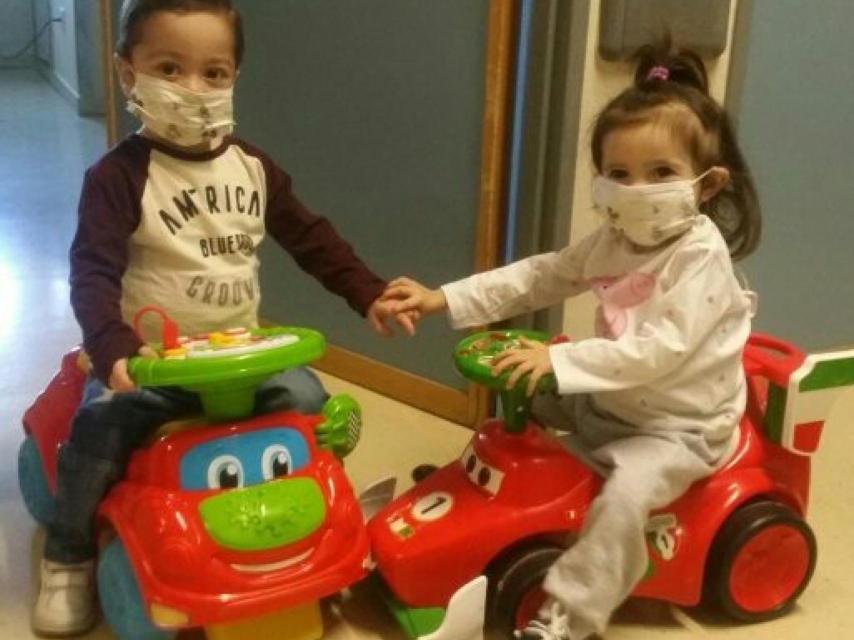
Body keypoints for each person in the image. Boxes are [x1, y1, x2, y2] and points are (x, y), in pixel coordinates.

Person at [32, 0, 413, 635]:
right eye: (170, 68)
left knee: (309, 408)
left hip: (243, 357)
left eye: (215, 72)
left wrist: (367, 292)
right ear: (130, 75)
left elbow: (312, 238)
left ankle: (312, 532)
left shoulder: (253, 167)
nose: (194, 88)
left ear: (235, 76)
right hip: (151, 366)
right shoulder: (118, 177)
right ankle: (67, 553)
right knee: (99, 432)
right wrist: (112, 347)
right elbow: (93, 270)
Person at [381, 44, 761, 640]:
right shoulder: (611, 239)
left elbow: (658, 352)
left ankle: (571, 612)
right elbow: (541, 275)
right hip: (609, 403)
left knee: (623, 499)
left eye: (661, 174)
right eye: (620, 174)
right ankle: (475, 503)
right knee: (513, 405)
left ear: (707, 184)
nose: (637, 189)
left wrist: (557, 358)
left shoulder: (700, 260)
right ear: (601, 180)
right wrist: (444, 298)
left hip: (677, 427)